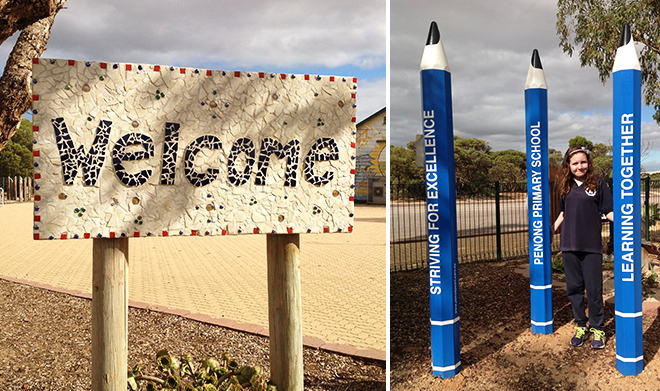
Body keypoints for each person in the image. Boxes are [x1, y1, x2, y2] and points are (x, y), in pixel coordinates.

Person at [551, 145, 614, 349]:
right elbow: (563, 213)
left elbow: (609, 211)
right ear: (568, 165)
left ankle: (597, 328)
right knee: (574, 289)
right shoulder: (565, 186)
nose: (580, 166)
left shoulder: (599, 183)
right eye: (575, 163)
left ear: (589, 163)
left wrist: (627, 224)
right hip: (569, 245)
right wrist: (552, 228)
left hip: (591, 246)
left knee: (594, 290)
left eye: (583, 162)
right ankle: (580, 325)